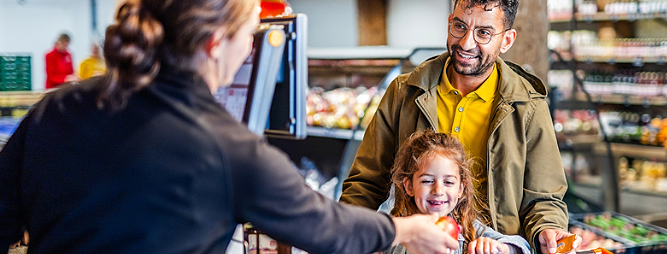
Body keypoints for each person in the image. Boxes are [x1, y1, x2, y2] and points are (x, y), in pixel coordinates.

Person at [0, 0, 459, 253]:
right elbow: (327, 229)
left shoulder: (55, 108)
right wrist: (404, 230)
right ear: (217, 42)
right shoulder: (226, 146)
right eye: (251, 34)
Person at [340, 0, 581, 253]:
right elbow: (365, 184)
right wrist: (342, 237)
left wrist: (547, 228)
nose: (466, 43)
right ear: (449, 23)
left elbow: (544, 198)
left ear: (507, 40)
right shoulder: (405, 93)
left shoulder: (528, 106)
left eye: (483, 33)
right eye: (460, 26)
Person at [387, 130, 531, 254]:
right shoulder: (397, 228)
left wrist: (501, 248)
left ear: (460, 189)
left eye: (448, 182)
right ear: (409, 186)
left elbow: (522, 247)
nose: (438, 190)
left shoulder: (470, 230)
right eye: (427, 181)